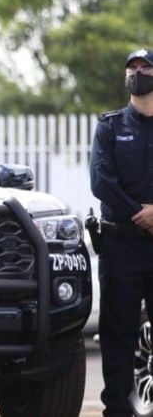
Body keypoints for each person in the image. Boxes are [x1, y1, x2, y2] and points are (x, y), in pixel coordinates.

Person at [91, 47, 153, 417]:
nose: (138, 72)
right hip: (121, 244)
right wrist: (141, 215)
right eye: (132, 67)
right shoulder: (111, 126)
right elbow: (102, 181)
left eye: (145, 66)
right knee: (118, 335)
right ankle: (117, 409)